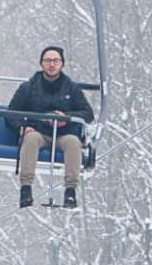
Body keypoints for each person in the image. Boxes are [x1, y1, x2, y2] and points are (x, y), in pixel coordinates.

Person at [7, 45, 94, 209]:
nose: (51, 64)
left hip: (64, 134)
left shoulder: (72, 88)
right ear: (41, 63)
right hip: (38, 132)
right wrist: (22, 127)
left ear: (62, 64)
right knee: (30, 139)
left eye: (55, 61)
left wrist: (66, 116)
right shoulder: (28, 88)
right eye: (47, 60)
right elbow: (12, 112)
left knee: (73, 143)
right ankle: (26, 188)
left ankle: (70, 190)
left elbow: (88, 113)